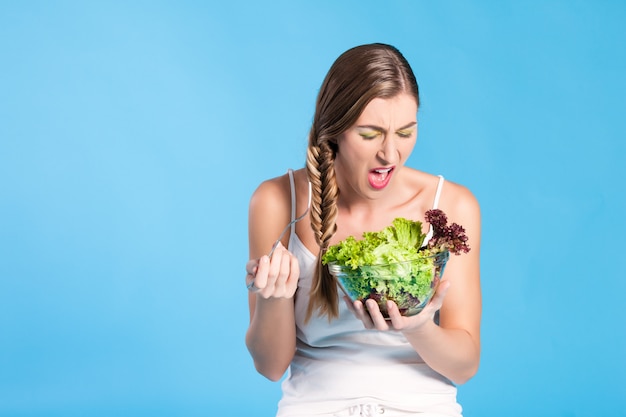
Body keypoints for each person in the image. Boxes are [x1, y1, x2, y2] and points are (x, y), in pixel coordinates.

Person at [244, 43, 481, 417]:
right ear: (335, 130)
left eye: (405, 132)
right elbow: (270, 366)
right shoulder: (277, 201)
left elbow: (465, 366)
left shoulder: (451, 204)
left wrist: (418, 326)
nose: (390, 154)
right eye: (370, 134)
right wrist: (273, 298)